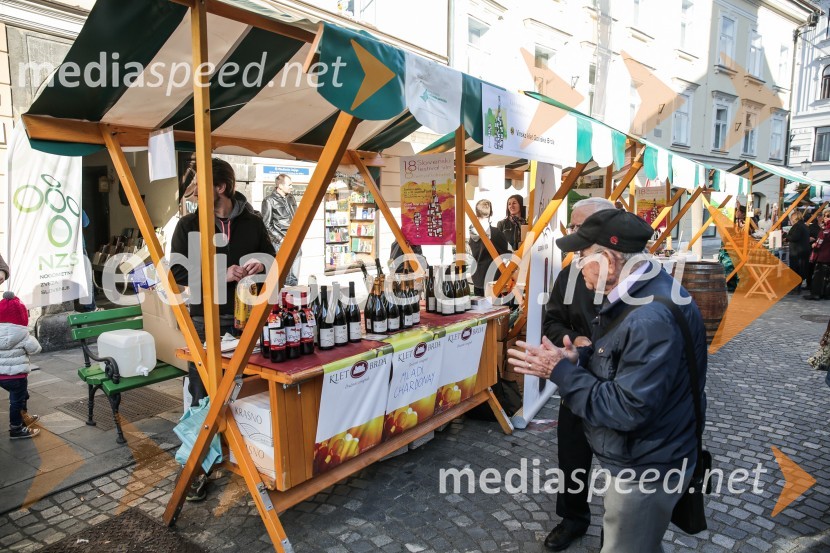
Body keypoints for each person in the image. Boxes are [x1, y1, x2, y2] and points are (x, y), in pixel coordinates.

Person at [509, 208, 707, 553]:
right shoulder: (642, 293)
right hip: (653, 452)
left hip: (648, 463)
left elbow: (627, 408)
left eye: (583, 255)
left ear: (611, 262)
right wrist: (579, 358)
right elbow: (622, 361)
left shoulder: (648, 316)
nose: (576, 263)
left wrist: (559, 371)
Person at [171, 157, 275, 500]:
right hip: (205, 320)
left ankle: (248, 457)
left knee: (249, 391)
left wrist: (262, 263)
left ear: (221, 188)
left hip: (247, 320)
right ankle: (197, 468)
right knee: (203, 393)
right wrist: (220, 276)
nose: (193, 192)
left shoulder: (252, 221)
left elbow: (277, 262)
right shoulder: (187, 225)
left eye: (200, 185)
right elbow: (178, 275)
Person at [539, 197, 615, 551]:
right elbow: (552, 320)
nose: (570, 232)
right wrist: (572, 340)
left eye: (576, 225)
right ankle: (573, 518)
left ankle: (617, 535)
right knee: (572, 456)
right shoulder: (570, 272)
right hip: (576, 378)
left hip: (617, 384)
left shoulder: (631, 276)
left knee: (621, 465)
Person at [0, 292, 41, 439]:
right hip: (17, 376)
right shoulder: (23, 334)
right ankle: (16, 429)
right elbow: (36, 349)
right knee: (16, 401)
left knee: (22, 396)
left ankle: (24, 418)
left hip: (1, 376)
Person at [261, 174, 300, 286]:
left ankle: (293, 296)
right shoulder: (269, 201)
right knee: (284, 275)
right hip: (281, 241)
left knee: (294, 277)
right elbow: (266, 224)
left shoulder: (291, 198)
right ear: (280, 185)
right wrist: (281, 239)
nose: (291, 187)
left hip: (295, 239)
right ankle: (284, 299)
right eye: (289, 185)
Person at [468, 199, 510, 296]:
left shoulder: (472, 232)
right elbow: (506, 255)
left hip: (477, 279)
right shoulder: (495, 233)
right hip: (493, 280)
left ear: (476, 213)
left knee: (480, 310)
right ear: (491, 213)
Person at [804, 208, 830, 300]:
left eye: (828, 216)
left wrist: (815, 245)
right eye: (825, 216)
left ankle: (816, 294)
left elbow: (820, 241)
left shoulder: (826, 228)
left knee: (819, 275)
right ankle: (826, 294)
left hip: (823, 255)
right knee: (827, 276)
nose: (826, 218)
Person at [786, 211, 810, 292]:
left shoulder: (798, 226)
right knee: (800, 269)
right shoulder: (804, 225)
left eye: (792, 217)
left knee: (795, 269)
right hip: (803, 251)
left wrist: (786, 236)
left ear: (794, 217)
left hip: (797, 251)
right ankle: (797, 287)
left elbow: (794, 237)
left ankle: (795, 287)